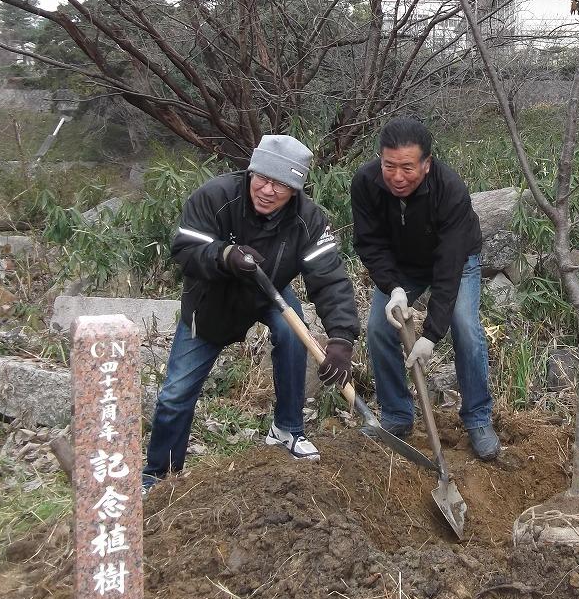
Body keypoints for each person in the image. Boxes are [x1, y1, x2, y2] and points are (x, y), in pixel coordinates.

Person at [142, 135, 359, 491]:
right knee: (176, 392)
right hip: (211, 300)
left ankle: (287, 430)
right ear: (251, 170)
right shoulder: (215, 196)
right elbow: (183, 249)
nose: (268, 190)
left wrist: (341, 337)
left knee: (293, 333)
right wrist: (224, 256)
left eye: (282, 184)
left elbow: (330, 279)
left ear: (296, 189)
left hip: (268, 292)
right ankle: (158, 473)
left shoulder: (310, 220)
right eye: (263, 178)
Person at [350, 116, 500, 460]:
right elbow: (369, 242)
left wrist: (431, 334)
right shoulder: (366, 182)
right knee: (378, 327)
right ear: (380, 159)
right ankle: (397, 416)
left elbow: (448, 267)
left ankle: (477, 418)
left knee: (464, 326)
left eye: (407, 167)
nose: (397, 177)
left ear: (427, 164)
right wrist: (394, 288)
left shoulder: (450, 190)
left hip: (455, 261)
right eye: (389, 166)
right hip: (402, 267)